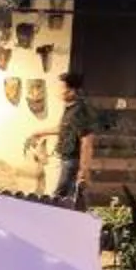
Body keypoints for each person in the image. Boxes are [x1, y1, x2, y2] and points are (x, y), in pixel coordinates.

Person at [52, 69, 88, 205]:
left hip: (72, 161)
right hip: (66, 159)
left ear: (71, 90)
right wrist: (39, 132)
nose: (59, 91)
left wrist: (83, 170)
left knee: (60, 198)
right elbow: (62, 129)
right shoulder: (69, 109)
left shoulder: (80, 112)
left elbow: (86, 142)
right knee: (64, 197)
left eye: (61, 88)